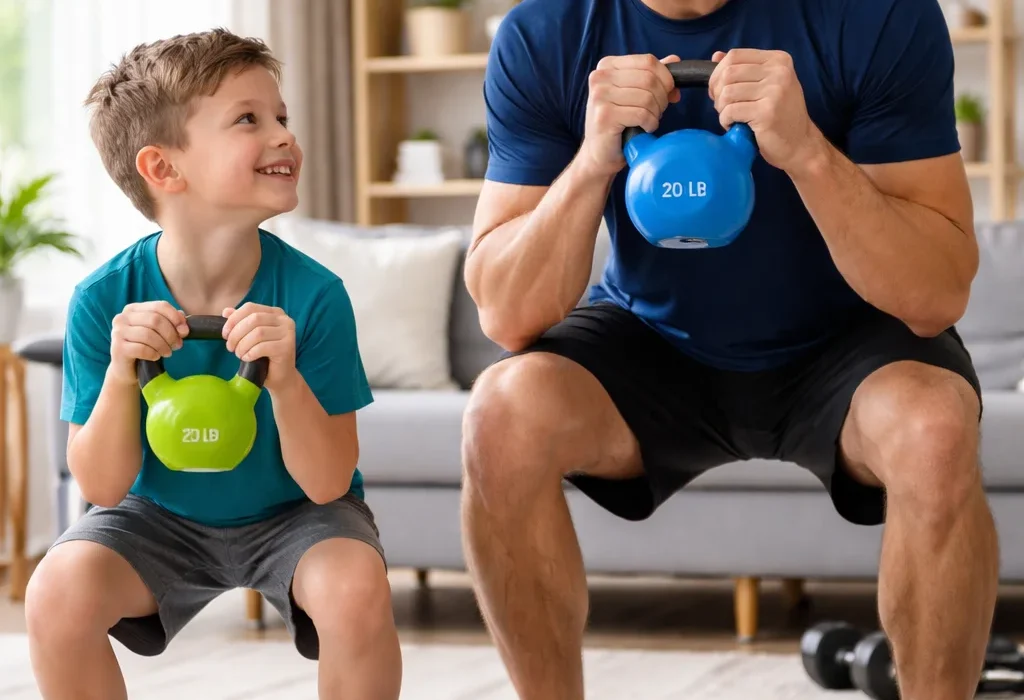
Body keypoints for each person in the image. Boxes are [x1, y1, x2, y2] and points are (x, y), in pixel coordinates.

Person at [460, 0, 997, 699]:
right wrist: (594, 162)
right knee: (501, 417)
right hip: (649, 335)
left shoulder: (876, 14)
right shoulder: (550, 32)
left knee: (934, 427)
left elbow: (936, 294)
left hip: (849, 336)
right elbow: (506, 313)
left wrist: (806, 152)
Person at [23, 29, 401, 700]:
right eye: (249, 120)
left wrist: (283, 379)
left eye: (281, 116)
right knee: (55, 591)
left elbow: (327, 481)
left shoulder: (316, 296)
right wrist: (119, 374)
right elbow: (103, 488)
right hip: (155, 515)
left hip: (296, 514)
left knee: (356, 590)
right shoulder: (102, 300)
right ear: (164, 169)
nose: (283, 135)